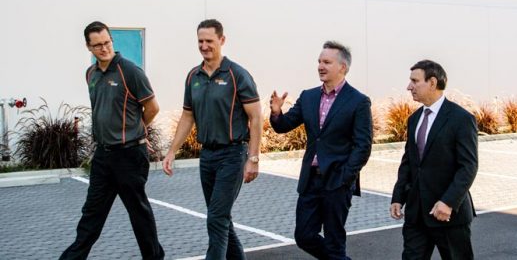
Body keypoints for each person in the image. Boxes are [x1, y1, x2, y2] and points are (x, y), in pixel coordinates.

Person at [60, 21, 165, 260]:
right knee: (91, 215)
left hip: (129, 155)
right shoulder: (92, 74)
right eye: (97, 45)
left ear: (111, 41)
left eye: (107, 42)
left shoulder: (130, 71)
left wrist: (136, 131)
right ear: (89, 47)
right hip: (103, 155)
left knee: (139, 214)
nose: (104, 48)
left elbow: (152, 108)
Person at [163, 19, 262, 260]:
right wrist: (172, 150)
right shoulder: (193, 76)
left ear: (222, 40)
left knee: (216, 218)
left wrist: (254, 158)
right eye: (200, 41)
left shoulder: (237, 74)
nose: (205, 46)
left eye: (209, 41)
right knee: (221, 217)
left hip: (232, 154)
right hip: (207, 156)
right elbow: (188, 116)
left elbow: (256, 117)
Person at [269, 41, 373, 260]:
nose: (320, 66)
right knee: (304, 235)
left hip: (338, 180)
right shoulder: (308, 96)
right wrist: (277, 112)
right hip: (311, 180)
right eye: (319, 61)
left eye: (326, 62)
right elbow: (283, 125)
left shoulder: (358, 101)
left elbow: (363, 145)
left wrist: (346, 176)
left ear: (342, 67)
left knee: (335, 239)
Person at [390, 60, 479, 260]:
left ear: (432, 82)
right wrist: (398, 197)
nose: (409, 87)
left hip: (448, 215)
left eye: (415, 81)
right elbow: (409, 162)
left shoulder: (461, 119)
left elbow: (468, 166)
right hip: (416, 214)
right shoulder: (414, 119)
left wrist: (448, 202)